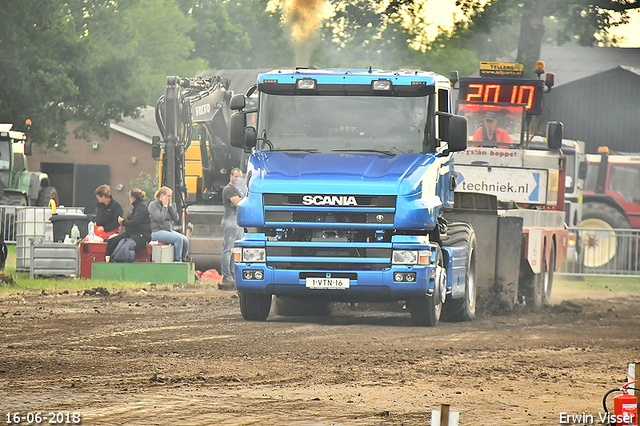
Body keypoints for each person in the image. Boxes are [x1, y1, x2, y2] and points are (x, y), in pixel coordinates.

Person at [105, 188, 151, 260]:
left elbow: (135, 222)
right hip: (130, 233)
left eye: (130, 197)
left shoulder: (141, 207)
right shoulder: (134, 208)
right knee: (112, 241)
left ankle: (126, 262)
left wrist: (123, 222)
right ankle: (107, 259)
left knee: (126, 246)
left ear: (133, 198)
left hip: (141, 234)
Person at [149, 186, 190, 262]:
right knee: (178, 239)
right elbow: (160, 218)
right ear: (162, 196)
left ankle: (184, 259)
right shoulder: (153, 205)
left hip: (167, 230)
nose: (170, 198)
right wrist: (164, 206)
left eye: (171, 196)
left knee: (185, 240)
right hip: (156, 231)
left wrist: (170, 207)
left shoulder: (170, 205)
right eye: (168, 196)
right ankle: (178, 260)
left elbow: (176, 218)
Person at [221, 168, 246, 285]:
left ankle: (232, 273)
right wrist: (241, 201)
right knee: (228, 250)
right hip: (230, 222)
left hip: (238, 222)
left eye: (240, 177)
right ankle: (226, 275)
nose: (238, 179)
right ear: (231, 176)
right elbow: (239, 204)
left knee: (235, 250)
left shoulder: (238, 189)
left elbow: (241, 202)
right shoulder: (229, 189)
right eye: (236, 176)